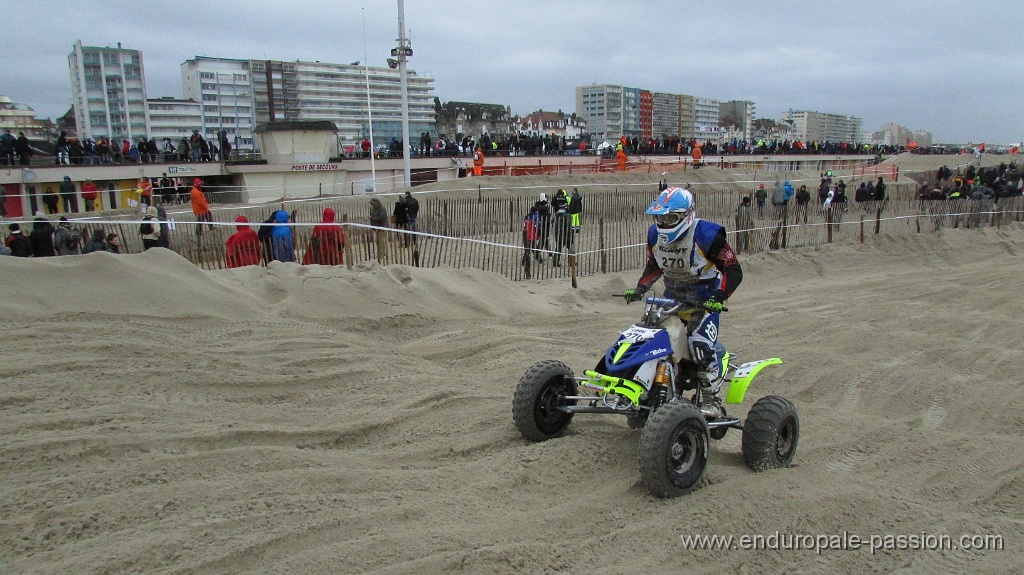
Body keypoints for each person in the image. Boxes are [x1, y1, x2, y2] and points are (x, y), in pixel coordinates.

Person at [622, 187, 743, 403]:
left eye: (670, 217)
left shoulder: (707, 235)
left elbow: (732, 269)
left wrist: (719, 297)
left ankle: (710, 400)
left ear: (687, 215)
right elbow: (654, 265)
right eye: (660, 217)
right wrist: (640, 288)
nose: (664, 223)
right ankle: (659, 388)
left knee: (699, 344)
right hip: (671, 298)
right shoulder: (653, 234)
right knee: (649, 337)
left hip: (704, 299)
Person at [550, 189, 572, 267]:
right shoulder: (567, 214)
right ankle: (571, 262)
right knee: (570, 248)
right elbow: (569, 225)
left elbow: (552, 204)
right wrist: (570, 234)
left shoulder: (557, 216)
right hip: (567, 234)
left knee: (558, 248)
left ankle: (555, 262)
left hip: (559, 234)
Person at [368, 197, 389, 263]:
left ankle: (382, 253)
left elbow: (381, 217)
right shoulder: (373, 208)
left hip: (381, 227)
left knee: (381, 241)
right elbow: (372, 215)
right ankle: (379, 253)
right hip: (376, 227)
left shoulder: (382, 209)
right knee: (377, 241)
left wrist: (372, 218)